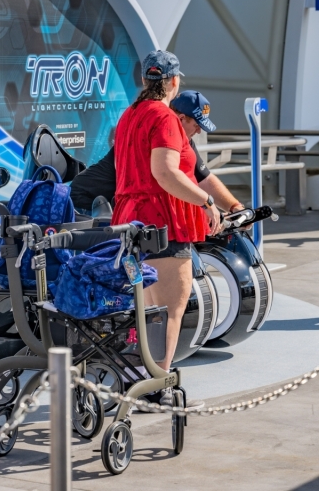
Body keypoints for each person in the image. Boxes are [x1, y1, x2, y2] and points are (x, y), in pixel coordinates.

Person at [112, 50, 221, 405]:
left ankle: (133, 381)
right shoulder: (164, 117)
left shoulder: (129, 115)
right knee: (170, 311)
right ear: (173, 82)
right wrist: (206, 202)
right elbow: (165, 172)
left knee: (144, 309)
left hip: (129, 221)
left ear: (145, 80)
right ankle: (157, 388)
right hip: (162, 223)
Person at [70, 91, 245, 217]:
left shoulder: (183, 139)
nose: (199, 131)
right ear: (182, 118)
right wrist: (207, 203)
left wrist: (234, 206)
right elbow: (166, 177)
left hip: (113, 204)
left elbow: (204, 178)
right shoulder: (155, 134)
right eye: (197, 125)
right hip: (87, 202)